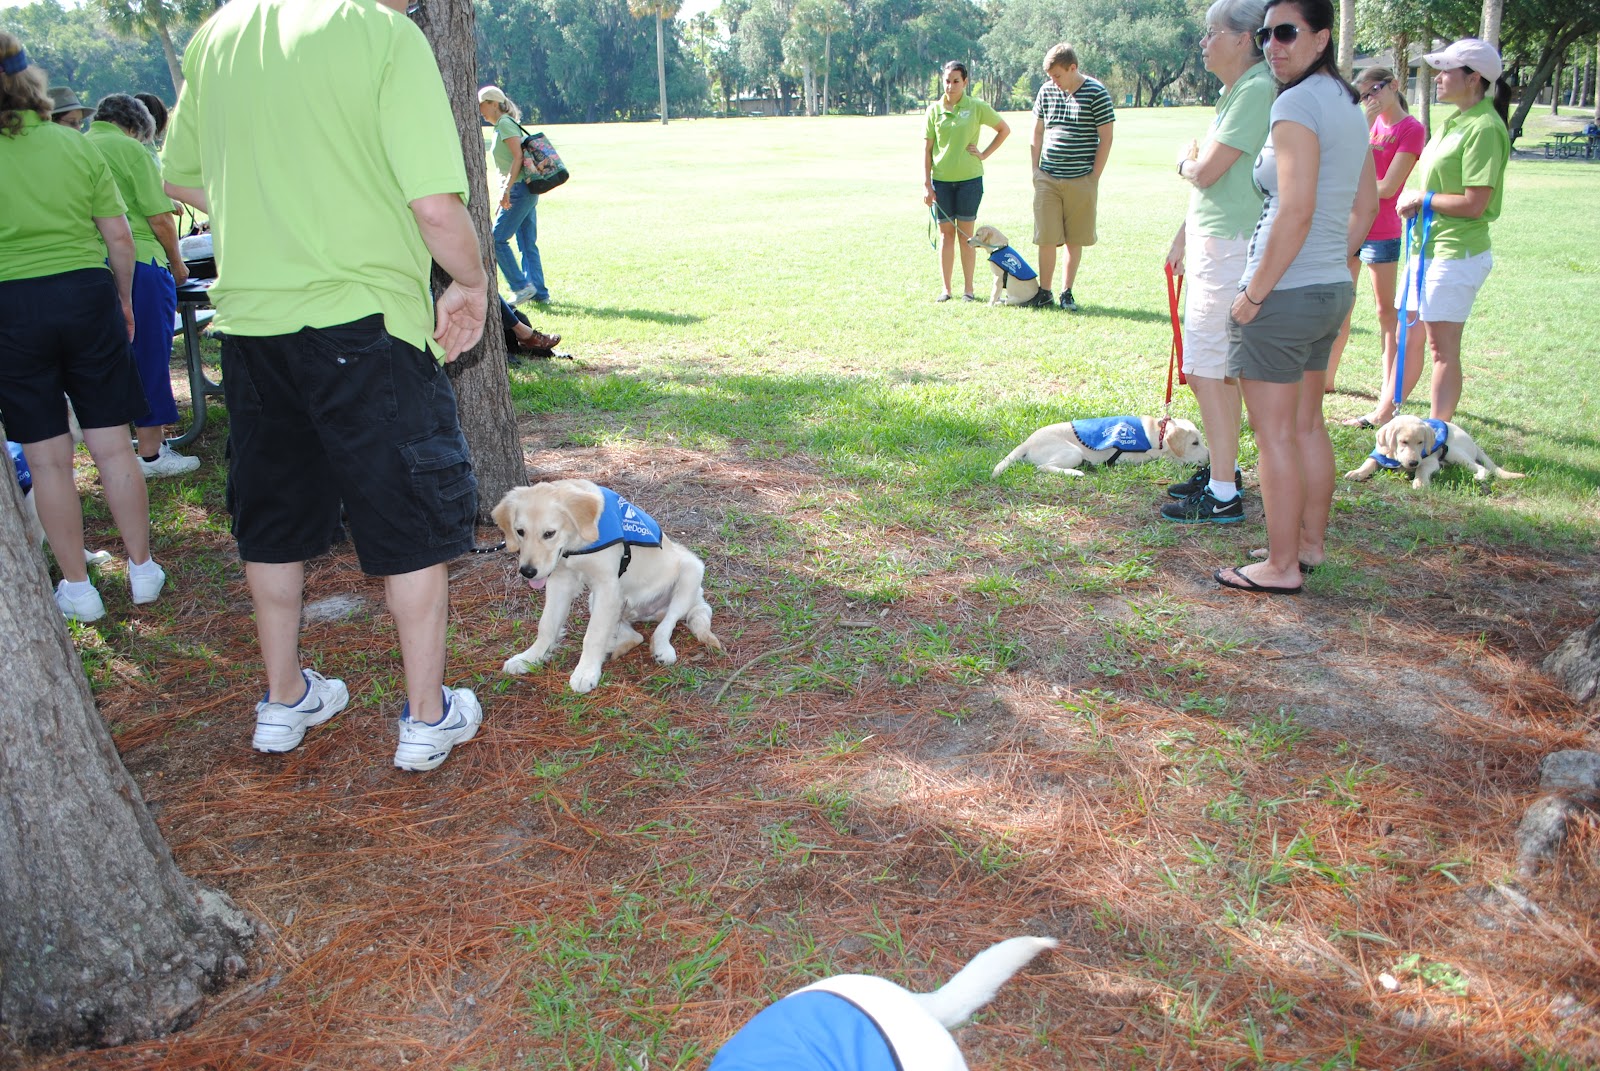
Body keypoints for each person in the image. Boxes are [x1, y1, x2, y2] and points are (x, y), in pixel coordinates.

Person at [162, 0, 490, 771]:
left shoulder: (218, 35)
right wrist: (473, 281)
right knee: (409, 521)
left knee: (271, 518)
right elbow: (435, 206)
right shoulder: (383, 34)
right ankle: (426, 715)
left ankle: (284, 698)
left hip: (253, 328)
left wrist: (272, 208)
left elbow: (180, 177)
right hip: (366, 323)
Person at [1, 34, 166, 623]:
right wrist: (122, 300)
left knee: (48, 459)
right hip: (86, 295)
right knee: (113, 446)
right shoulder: (73, 144)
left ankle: (78, 587)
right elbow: (119, 236)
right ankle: (142, 569)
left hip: (11, 307)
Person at [1214, 0, 1376, 594]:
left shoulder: (1296, 103)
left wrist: (1255, 294)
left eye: (1287, 32)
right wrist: (1332, 262)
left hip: (1283, 294)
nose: (1272, 45)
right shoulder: (1346, 102)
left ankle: (1281, 567)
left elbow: (1297, 210)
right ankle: (1306, 545)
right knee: (1307, 427)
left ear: (1322, 37)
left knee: (1277, 434)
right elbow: (1366, 205)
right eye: (1265, 35)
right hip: (1328, 288)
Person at [1160, 0, 1273, 525]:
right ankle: (1224, 472)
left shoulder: (1255, 89)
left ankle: (1224, 491)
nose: (1204, 43)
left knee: (1207, 369)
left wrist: (1183, 162)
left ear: (1244, 38)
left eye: (1212, 33)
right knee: (1216, 370)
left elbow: (1206, 172)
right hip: (1216, 243)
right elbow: (1215, 185)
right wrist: (1184, 236)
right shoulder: (1238, 91)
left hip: (1230, 248)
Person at [1377, 38, 1511, 425]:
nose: (1437, 77)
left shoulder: (1484, 127)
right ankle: (1385, 416)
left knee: (1442, 349)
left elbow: (1475, 203)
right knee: (1407, 336)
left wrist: (1423, 198)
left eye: (1446, 71)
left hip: (1456, 253)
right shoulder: (1456, 121)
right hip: (1426, 248)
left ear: (1473, 79)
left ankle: (1439, 434)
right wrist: (1421, 201)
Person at [84, 93, 199, 478]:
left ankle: (116, 453)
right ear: (136, 127)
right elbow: (160, 219)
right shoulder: (130, 149)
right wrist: (178, 265)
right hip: (140, 263)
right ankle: (152, 454)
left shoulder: (77, 146)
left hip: (90, 266)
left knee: (105, 362)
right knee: (150, 354)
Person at [1332, 67, 1424, 412]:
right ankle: (1327, 378)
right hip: (1351, 224)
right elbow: (1339, 164)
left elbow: (1387, 187)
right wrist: (1363, 125)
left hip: (1382, 229)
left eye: (1375, 90)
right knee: (1341, 304)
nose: (1369, 99)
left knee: (1386, 312)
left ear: (1394, 86)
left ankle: (1389, 390)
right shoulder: (1365, 124)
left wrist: (1351, 182)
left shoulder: (1411, 129)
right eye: (1363, 95)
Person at [1031, 43, 1114, 312]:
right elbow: (1037, 132)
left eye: (1057, 75)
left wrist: (1094, 177)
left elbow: (1106, 137)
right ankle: (1044, 292)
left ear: (1072, 68)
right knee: (1046, 236)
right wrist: (1035, 170)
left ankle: (1067, 292)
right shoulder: (1046, 91)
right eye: (1050, 76)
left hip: (1081, 178)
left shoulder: (1096, 92)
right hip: (1048, 176)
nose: (1053, 81)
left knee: (1073, 238)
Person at [922, 60, 1009, 303]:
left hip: (970, 181)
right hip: (941, 182)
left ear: (965, 82)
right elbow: (927, 150)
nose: (950, 86)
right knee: (946, 235)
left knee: (966, 236)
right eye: (947, 81)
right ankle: (946, 289)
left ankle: (968, 290)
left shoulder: (976, 106)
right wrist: (926, 184)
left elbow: (1003, 129)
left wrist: (984, 154)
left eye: (956, 81)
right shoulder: (934, 111)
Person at [478, 85, 547, 306]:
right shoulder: (503, 125)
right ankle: (539, 292)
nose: (480, 111)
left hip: (518, 190)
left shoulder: (505, 124)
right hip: (524, 190)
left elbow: (517, 157)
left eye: (481, 105)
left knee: (496, 239)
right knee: (526, 242)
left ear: (493, 104)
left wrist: (506, 190)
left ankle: (521, 287)